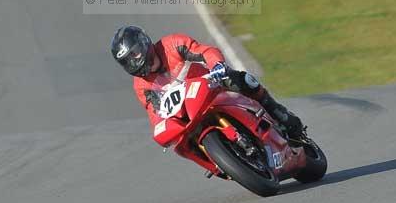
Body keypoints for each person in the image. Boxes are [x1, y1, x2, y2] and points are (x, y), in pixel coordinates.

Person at [111, 25, 304, 137]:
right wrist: (163, 130)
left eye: (134, 53)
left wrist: (216, 65)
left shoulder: (172, 44)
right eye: (127, 60)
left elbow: (205, 51)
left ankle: (278, 113)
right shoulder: (140, 85)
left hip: (211, 85)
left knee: (243, 79)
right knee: (180, 143)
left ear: (144, 43)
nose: (134, 61)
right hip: (187, 112)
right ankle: (218, 161)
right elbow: (155, 113)